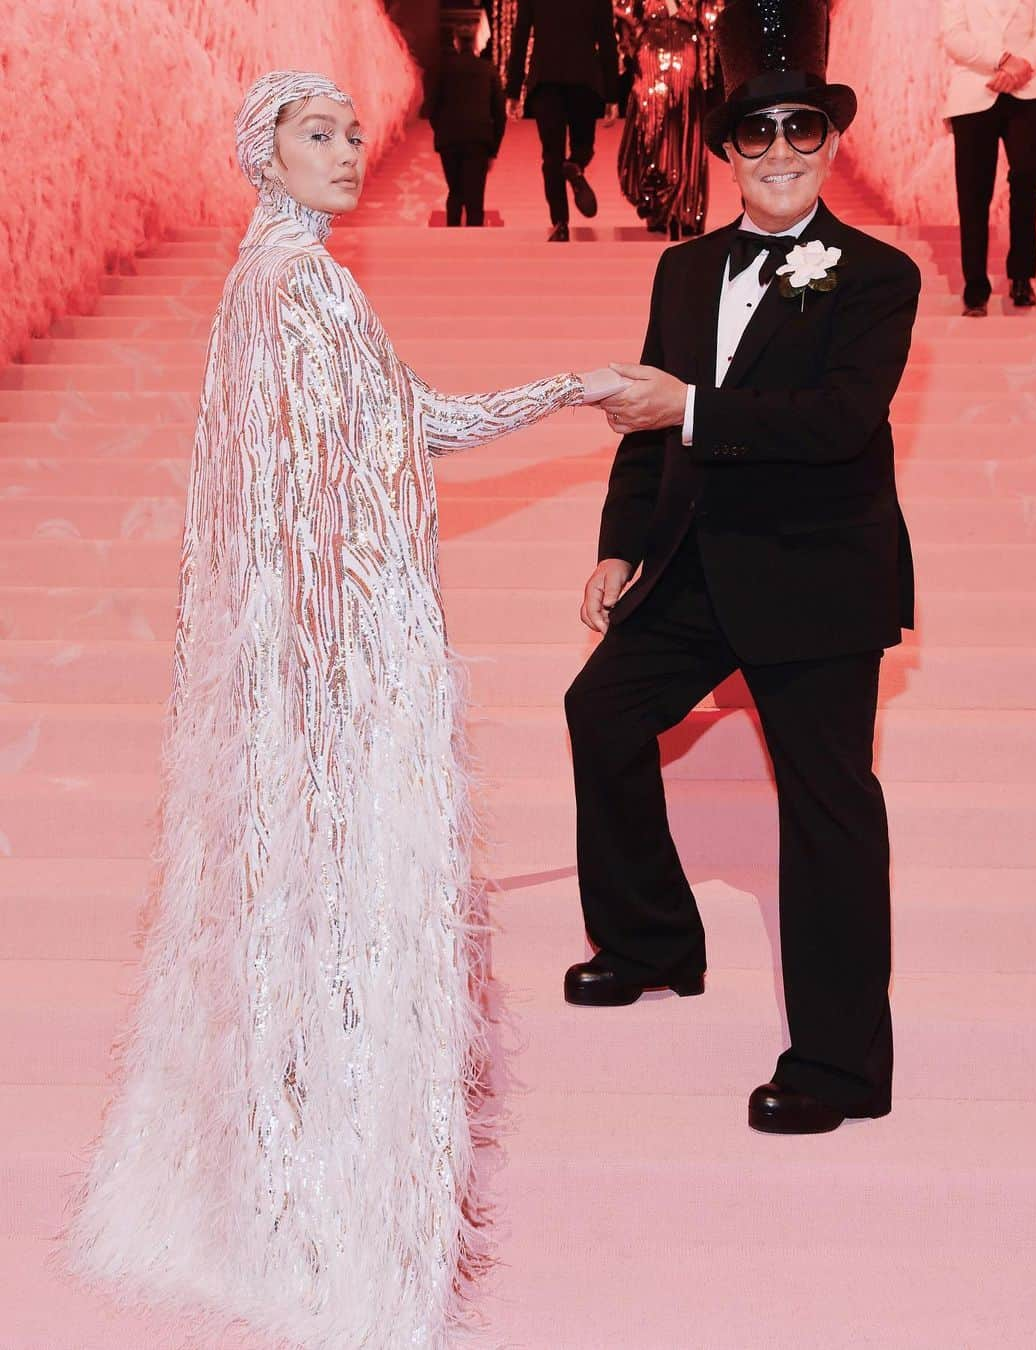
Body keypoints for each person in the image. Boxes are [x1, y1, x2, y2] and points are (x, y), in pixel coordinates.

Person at [64, 69, 615, 1349]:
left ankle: (295, 1187)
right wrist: (328, 687)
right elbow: (293, 515)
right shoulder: (289, 289)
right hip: (341, 671)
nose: (350, 149)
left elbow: (415, 422)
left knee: (318, 920)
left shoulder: (300, 283)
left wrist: (570, 387)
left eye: (354, 131)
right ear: (265, 154)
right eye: (319, 133)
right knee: (342, 914)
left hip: (337, 663)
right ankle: (324, 1211)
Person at [563, 0, 922, 1136]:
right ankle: (650, 940)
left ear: (830, 141)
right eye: (755, 133)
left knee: (828, 813)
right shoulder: (684, 271)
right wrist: (621, 547)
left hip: (817, 575)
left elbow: (839, 418)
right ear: (724, 149)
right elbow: (646, 422)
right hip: (695, 569)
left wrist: (695, 406)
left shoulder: (874, 275)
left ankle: (840, 1066)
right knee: (601, 712)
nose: (778, 152)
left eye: (800, 130)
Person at [942, 0, 1036, 315]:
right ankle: (975, 287)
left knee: (1026, 181)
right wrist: (1002, 60)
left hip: (1028, 90)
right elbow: (953, 36)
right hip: (974, 91)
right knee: (973, 192)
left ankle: (1021, 278)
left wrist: (1022, 66)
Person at [505, 0, 621, 241]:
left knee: (551, 155)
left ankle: (560, 223)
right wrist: (612, 94)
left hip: (545, 79)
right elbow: (608, 40)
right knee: (583, 147)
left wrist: (513, 90)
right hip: (584, 79)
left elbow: (521, 35)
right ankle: (576, 166)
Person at [615, 0, 715, 240]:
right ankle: (666, 204)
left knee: (679, 122)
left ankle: (679, 208)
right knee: (656, 124)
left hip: (679, 50)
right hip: (653, 51)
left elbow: (710, 18)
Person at [423, 19, 506, 226]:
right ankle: (474, 248)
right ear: (474, 43)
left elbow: (431, 107)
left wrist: (441, 130)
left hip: (450, 139)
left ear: (456, 42)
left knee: (455, 192)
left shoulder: (443, 69)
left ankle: (452, 241)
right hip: (479, 139)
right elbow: (500, 113)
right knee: (475, 198)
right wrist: (493, 147)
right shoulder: (488, 70)